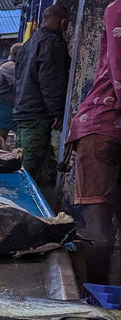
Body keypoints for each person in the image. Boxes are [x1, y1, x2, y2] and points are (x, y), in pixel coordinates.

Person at [66, 0, 121, 286]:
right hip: (106, 130)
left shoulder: (117, 9)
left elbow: (117, 69)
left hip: (102, 124)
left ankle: (95, 305)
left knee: (98, 228)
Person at [13, 4, 71, 188]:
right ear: (64, 23)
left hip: (24, 112)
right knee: (29, 173)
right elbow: (51, 80)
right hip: (38, 115)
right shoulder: (53, 43)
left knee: (24, 168)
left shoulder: (29, 42)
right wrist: (57, 112)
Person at [0, 43, 23, 147]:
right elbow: (21, 85)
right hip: (0, 108)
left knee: (21, 139)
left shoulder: (16, 66)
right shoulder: (10, 67)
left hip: (10, 107)